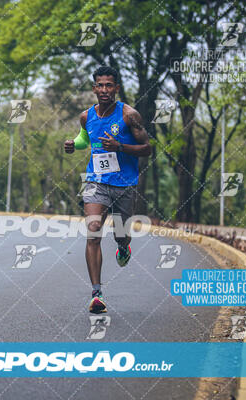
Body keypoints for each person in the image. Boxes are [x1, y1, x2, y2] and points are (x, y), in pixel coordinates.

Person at [64, 66, 151, 313]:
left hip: (124, 184)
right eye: (100, 85)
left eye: (109, 85)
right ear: (94, 88)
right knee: (93, 230)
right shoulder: (86, 116)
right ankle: (96, 293)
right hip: (96, 181)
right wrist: (74, 144)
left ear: (117, 88)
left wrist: (120, 147)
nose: (104, 90)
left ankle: (124, 246)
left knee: (121, 234)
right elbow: (85, 139)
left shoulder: (129, 115)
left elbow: (147, 148)